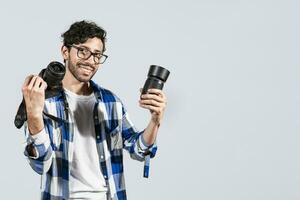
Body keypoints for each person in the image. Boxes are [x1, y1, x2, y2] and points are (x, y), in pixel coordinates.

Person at [21, 20, 167, 200]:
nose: (90, 61)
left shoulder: (111, 102)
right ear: (65, 51)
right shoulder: (44, 101)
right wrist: (34, 115)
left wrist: (155, 119)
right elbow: (40, 164)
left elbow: (138, 149)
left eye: (97, 55)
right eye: (83, 51)